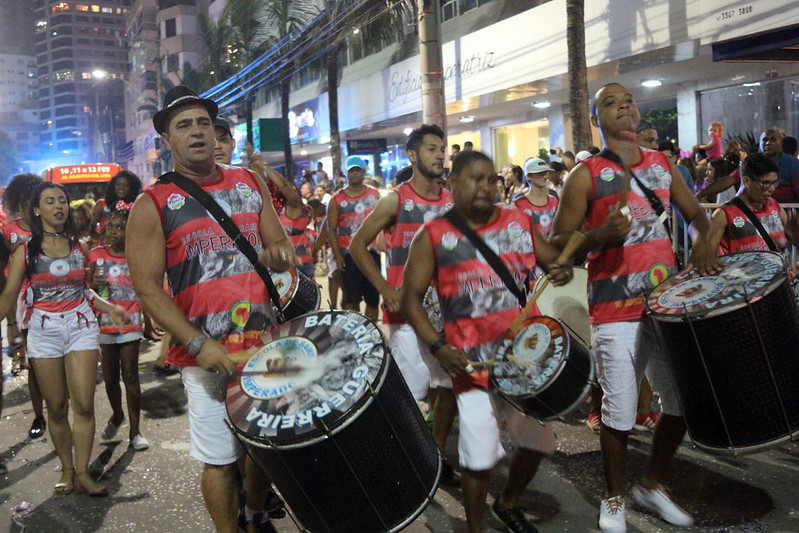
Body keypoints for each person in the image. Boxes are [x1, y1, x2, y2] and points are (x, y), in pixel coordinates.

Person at [550, 82, 723, 533]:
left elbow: (700, 217)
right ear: (596, 120)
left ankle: (653, 484)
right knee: (620, 411)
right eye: (611, 102)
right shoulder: (585, 174)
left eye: (628, 99)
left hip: (667, 304)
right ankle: (613, 499)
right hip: (615, 308)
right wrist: (598, 236)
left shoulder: (663, 165)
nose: (625, 105)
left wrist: (705, 243)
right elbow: (554, 245)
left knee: (683, 402)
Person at [127, 86, 296, 533]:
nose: (197, 132)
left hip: (265, 344)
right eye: (184, 125)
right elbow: (147, 289)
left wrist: (280, 252)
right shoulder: (153, 203)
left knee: (264, 446)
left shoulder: (248, 181)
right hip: (205, 355)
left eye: (203, 122)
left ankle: (256, 513)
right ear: (166, 139)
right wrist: (198, 344)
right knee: (219, 458)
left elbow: (277, 241)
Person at [401, 150, 572, 533]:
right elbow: (409, 297)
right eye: (474, 179)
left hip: (521, 356)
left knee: (537, 440)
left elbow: (552, 263)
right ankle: (475, 528)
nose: (485, 186)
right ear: (453, 184)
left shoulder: (518, 220)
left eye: (491, 179)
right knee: (478, 457)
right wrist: (438, 347)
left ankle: (508, 502)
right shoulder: (433, 235)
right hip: (470, 363)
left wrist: (563, 267)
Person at [0, 182, 129, 496]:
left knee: (84, 405)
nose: (58, 206)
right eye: (50, 201)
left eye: (62, 201)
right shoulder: (25, 249)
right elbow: (9, 296)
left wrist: (111, 307)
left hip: (80, 326)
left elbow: (84, 290)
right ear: (36, 209)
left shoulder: (78, 245)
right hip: (44, 330)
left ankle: (83, 472)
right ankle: (67, 469)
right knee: (56, 407)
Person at [350, 124, 459, 484]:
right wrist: (384, 287)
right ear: (412, 155)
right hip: (405, 313)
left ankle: (436, 456)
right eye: (431, 149)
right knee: (411, 394)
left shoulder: (451, 201)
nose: (440, 155)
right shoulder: (396, 199)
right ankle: (408, 460)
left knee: (446, 387)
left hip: (445, 311)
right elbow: (357, 245)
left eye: (442, 149)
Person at [89, 208, 149, 451]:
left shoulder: (137, 257)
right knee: (111, 378)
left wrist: (151, 320)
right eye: (110, 227)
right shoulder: (94, 254)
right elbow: (84, 286)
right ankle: (117, 415)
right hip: (103, 322)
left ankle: (136, 432)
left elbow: (146, 289)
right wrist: (93, 283)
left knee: (131, 375)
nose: (113, 232)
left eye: (120, 227)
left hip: (131, 321)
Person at [1, 173, 46, 438]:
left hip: (58, 303)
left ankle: (60, 410)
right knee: (35, 363)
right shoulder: (8, 231)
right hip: (22, 305)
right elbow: (4, 280)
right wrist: (10, 323)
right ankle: (39, 414)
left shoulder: (54, 226)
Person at [709, 152, 799, 255]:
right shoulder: (723, 215)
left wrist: (796, 233)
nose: (772, 189)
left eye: (774, 183)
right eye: (766, 183)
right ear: (747, 181)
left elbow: (795, 241)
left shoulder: (775, 207)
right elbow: (706, 259)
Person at [327, 155, 381, 320]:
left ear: (364, 172)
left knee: (373, 299)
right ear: (347, 173)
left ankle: (373, 335)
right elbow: (331, 230)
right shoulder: (337, 200)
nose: (355, 173)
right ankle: (356, 335)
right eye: (352, 170)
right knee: (351, 300)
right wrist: (337, 256)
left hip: (371, 253)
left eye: (358, 170)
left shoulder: (374, 195)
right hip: (348, 256)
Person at [89, 170, 143, 238]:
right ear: (113, 186)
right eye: (118, 184)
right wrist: (102, 239)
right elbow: (91, 230)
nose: (121, 188)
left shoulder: (137, 205)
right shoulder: (101, 205)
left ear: (132, 188)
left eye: (126, 185)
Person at [514, 158, 558, 236]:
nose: (544, 176)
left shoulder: (553, 200)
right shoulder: (518, 204)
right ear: (528, 176)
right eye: (539, 173)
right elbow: (515, 233)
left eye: (545, 172)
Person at [761, 128, 799, 204]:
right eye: (765, 140)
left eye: (773, 139)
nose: (768, 143)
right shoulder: (751, 163)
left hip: (789, 211)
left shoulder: (793, 164)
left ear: (781, 144)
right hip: (758, 211)